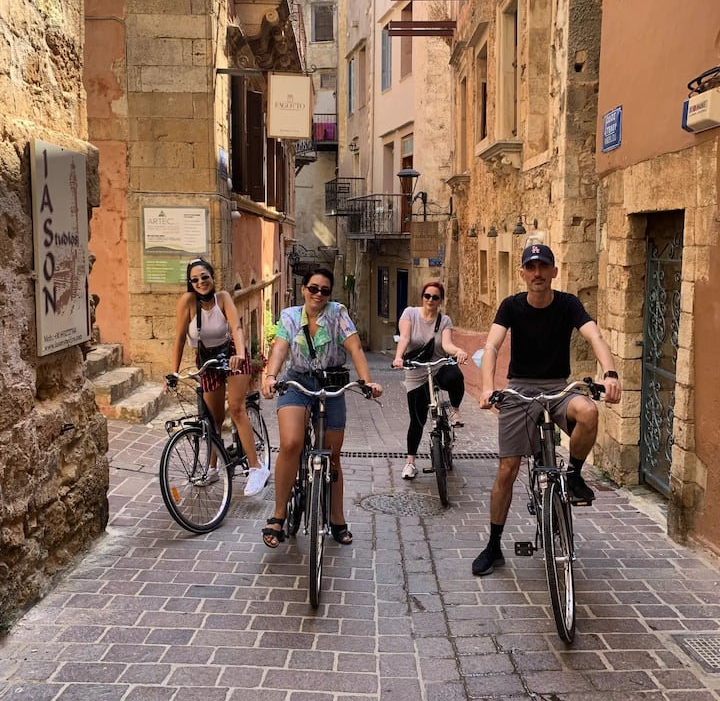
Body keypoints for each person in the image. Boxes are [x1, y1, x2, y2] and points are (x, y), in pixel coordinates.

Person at [472, 243, 622, 576]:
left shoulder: (568, 304)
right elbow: (492, 345)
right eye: (531, 267)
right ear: (522, 273)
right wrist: (488, 387)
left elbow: (594, 336)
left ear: (554, 271)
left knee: (589, 412)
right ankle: (494, 545)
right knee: (507, 469)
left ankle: (573, 475)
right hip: (519, 389)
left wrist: (610, 373)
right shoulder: (511, 306)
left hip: (558, 388)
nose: (537, 273)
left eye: (543, 267)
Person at [260, 268, 383, 548]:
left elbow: (355, 348)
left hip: (331, 384)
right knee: (291, 443)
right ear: (303, 289)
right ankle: (278, 515)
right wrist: (270, 376)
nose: (318, 294)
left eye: (324, 290)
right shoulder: (290, 316)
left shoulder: (338, 314)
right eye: (313, 288)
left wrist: (367, 382)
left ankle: (337, 519)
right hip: (298, 382)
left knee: (332, 455)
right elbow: (280, 348)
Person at [171, 258, 270, 495]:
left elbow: (236, 327)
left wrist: (240, 354)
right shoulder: (187, 302)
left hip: (232, 353)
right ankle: (213, 467)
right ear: (190, 283)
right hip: (207, 359)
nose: (200, 282)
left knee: (235, 408)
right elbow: (179, 338)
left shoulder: (223, 298)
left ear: (212, 277)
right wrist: (173, 372)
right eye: (195, 279)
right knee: (212, 419)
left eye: (204, 277)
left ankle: (257, 468)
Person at [391, 281, 469, 480]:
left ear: (440, 300)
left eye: (435, 297)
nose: (430, 300)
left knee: (456, 376)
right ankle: (410, 463)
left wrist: (458, 351)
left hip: (438, 366)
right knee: (417, 420)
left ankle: (455, 411)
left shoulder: (444, 320)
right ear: (422, 297)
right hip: (416, 370)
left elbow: (447, 344)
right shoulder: (410, 313)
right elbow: (405, 337)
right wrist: (398, 357)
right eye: (427, 296)